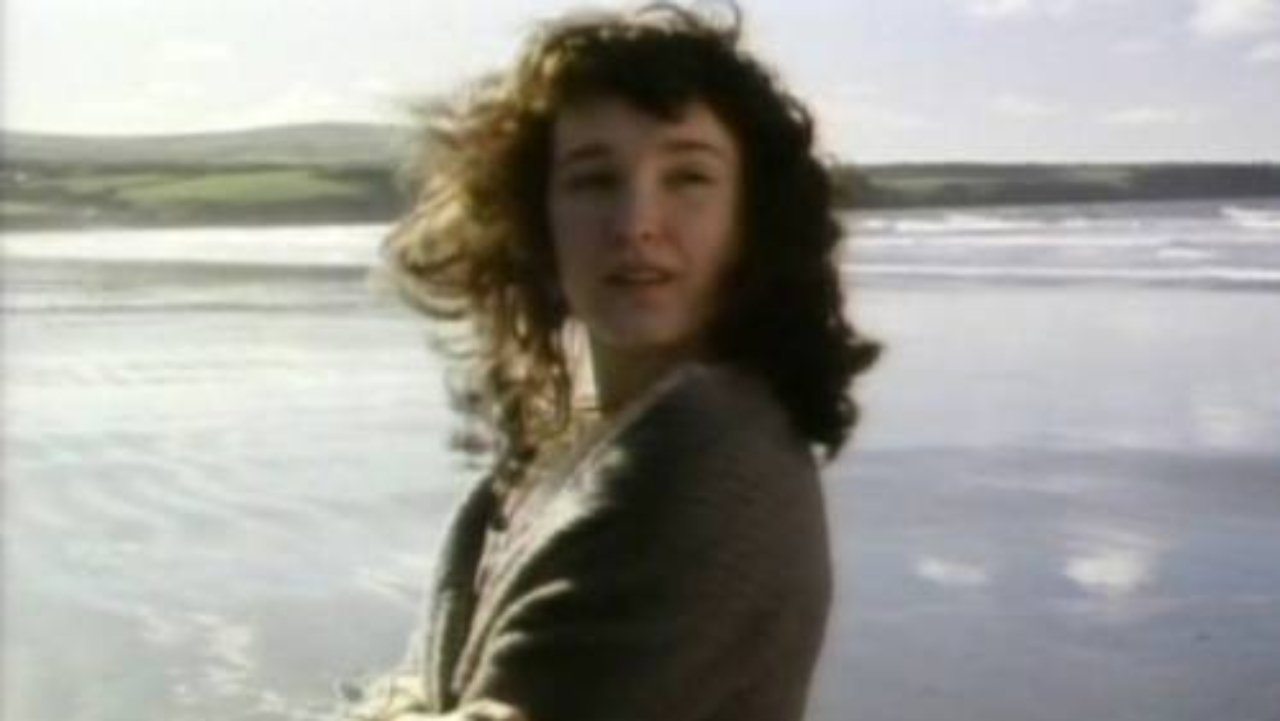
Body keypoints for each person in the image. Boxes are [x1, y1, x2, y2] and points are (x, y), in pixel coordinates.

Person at [345, 2, 880, 720]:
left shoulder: (712, 446)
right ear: (535, 219)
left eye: (688, 178)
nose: (635, 224)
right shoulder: (567, 439)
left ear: (751, 218)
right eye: (594, 180)